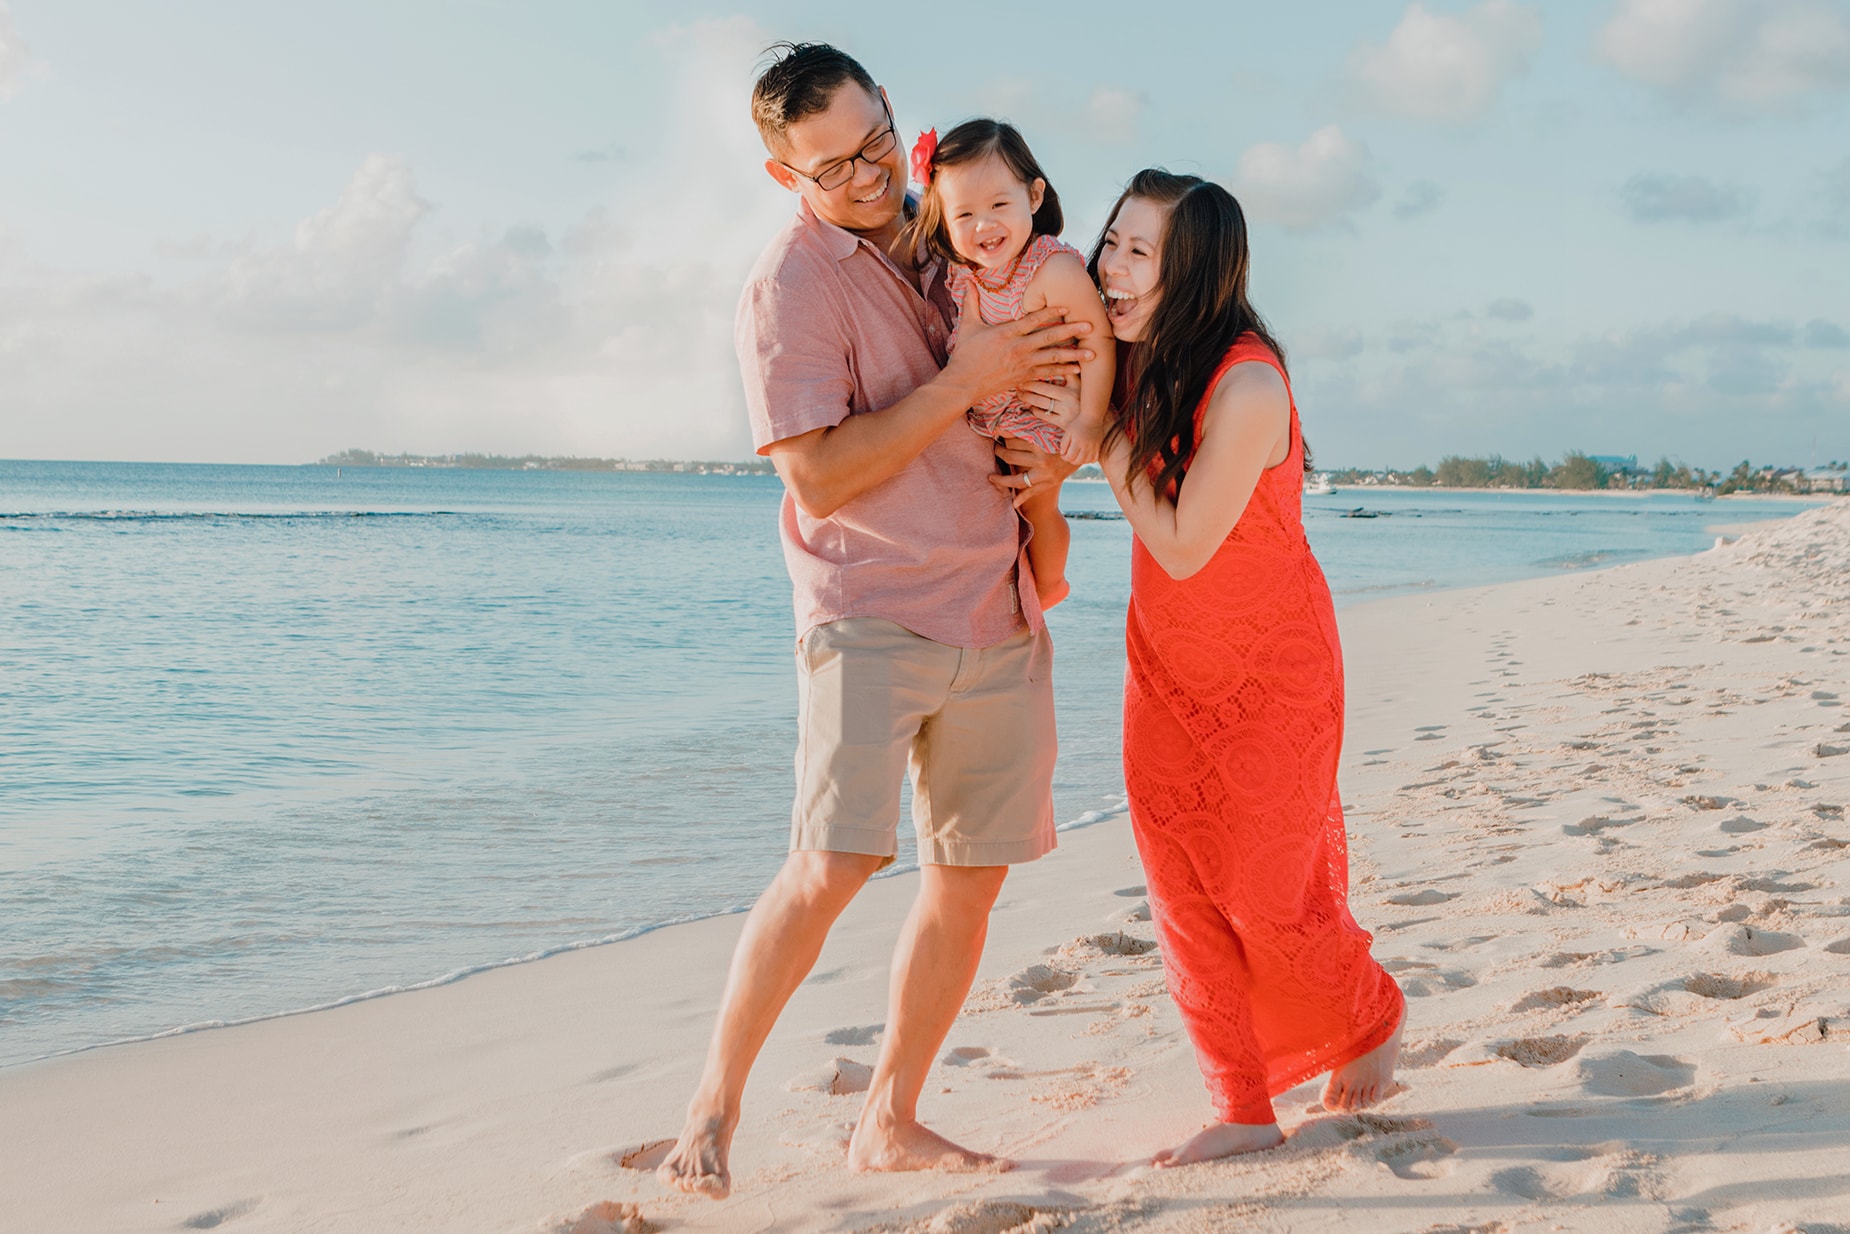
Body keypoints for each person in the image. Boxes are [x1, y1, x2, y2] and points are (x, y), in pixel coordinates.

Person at [654, 43, 1092, 1200]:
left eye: (873, 145)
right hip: (868, 611)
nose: (865, 177)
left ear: (896, 116)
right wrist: (961, 381)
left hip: (994, 608)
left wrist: (1050, 473)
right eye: (831, 166)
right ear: (778, 173)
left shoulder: (959, 223)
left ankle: (889, 1118)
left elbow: (1062, 359)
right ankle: (711, 1104)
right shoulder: (786, 289)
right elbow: (817, 476)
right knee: (830, 861)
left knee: (970, 876)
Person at [1027, 169, 1404, 1166]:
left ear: (1194, 273)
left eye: (1137, 251)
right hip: (1166, 659)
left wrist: (1104, 440)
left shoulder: (1245, 381)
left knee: (1271, 892)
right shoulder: (1134, 354)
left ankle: (1368, 1010)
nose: (1109, 264)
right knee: (1178, 881)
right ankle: (1238, 1103)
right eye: (1110, 240)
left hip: (1272, 668)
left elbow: (1187, 540)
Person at [902, 119, 1113, 466]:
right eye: (965, 214)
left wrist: (1090, 421)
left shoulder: (1051, 269)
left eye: (999, 205)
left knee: (1039, 512)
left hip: (1043, 416)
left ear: (1033, 196)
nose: (983, 225)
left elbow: (1098, 342)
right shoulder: (963, 269)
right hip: (988, 420)